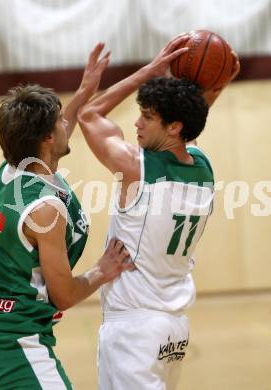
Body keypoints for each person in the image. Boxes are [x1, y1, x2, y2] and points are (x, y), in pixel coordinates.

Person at [0, 43, 134, 390]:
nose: (67, 124)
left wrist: (85, 90)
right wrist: (103, 270)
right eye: (60, 122)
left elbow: (51, 126)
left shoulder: (10, 171)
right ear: (49, 137)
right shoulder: (45, 211)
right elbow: (64, 295)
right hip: (15, 347)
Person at [78, 35, 240, 389]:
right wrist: (215, 84)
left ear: (174, 127)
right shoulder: (203, 165)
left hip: (134, 328)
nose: (137, 123)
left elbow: (88, 115)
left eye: (147, 116)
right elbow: (194, 116)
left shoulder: (136, 167)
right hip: (173, 327)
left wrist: (148, 71)